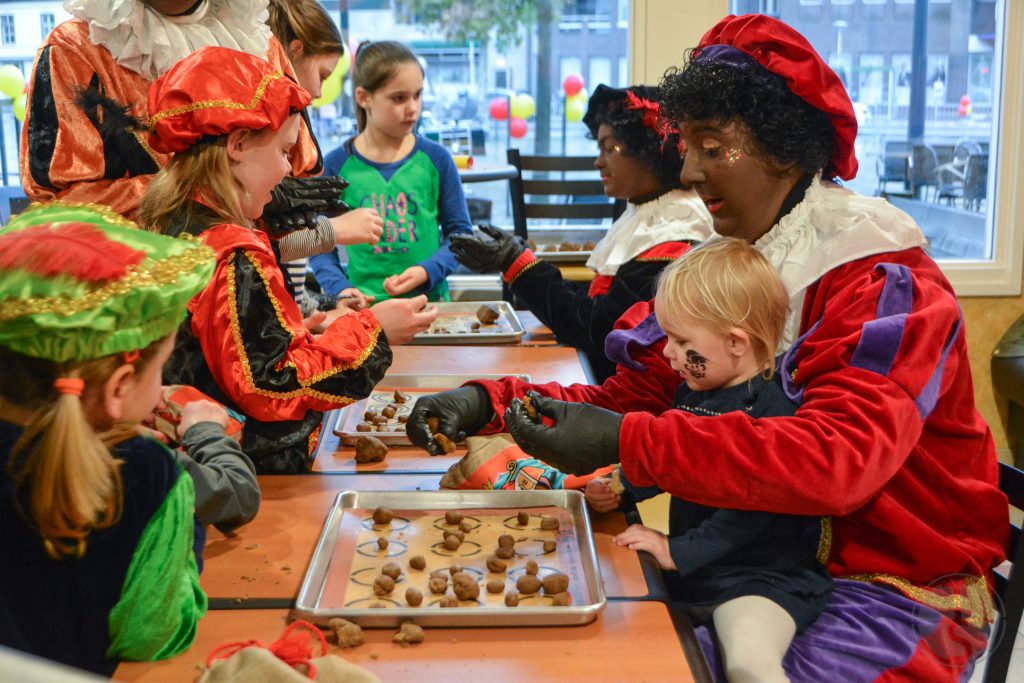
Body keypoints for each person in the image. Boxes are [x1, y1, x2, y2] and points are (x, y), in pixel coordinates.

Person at [407, 14, 1006, 681]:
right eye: (686, 144)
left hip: (893, 583)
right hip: (761, 561)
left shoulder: (883, 281)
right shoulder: (732, 265)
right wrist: (489, 401)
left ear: (782, 148)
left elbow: (838, 460)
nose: (688, 169)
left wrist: (630, 440)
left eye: (711, 146)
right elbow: (627, 397)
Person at [139, 46, 437, 474]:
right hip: (251, 470)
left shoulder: (175, 223)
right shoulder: (233, 253)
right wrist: (374, 331)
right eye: (282, 152)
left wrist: (301, 330)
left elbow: (231, 350)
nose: (285, 172)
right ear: (238, 145)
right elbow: (273, 385)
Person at [586, 238, 831, 683]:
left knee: (748, 664)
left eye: (681, 341)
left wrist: (675, 550)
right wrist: (625, 486)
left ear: (736, 343)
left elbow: (750, 512)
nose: (666, 353)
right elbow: (677, 464)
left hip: (761, 579)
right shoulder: (694, 393)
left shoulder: (774, 414)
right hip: (703, 574)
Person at [19, 0, 375, 285]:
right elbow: (63, 209)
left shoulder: (254, 39)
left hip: (248, 291)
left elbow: (293, 185)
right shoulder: (77, 49)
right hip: (137, 305)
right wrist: (201, 193)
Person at [0, 202, 212, 675]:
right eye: (161, 370)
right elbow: (156, 633)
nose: (162, 387)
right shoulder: (144, 473)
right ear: (118, 389)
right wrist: (187, 527)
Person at [450, 84, 713, 381]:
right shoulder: (649, 214)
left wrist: (518, 263)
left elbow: (596, 328)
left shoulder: (675, 230)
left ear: (651, 148)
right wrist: (519, 262)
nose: (598, 161)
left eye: (610, 147)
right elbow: (597, 306)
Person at [310, 41, 474, 303]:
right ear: (364, 98)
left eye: (418, 95)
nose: (413, 108)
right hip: (364, 314)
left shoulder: (437, 159)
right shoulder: (335, 165)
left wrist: (426, 271)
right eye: (399, 98)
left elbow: (461, 237)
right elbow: (317, 244)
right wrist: (340, 289)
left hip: (429, 310)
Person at [266, 0, 383, 313]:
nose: (319, 92)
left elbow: (287, 280)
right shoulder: (265, 127)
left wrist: (326, 304)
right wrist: (336, 231)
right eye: (323, 74)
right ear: (296, 50)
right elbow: (260, 247)